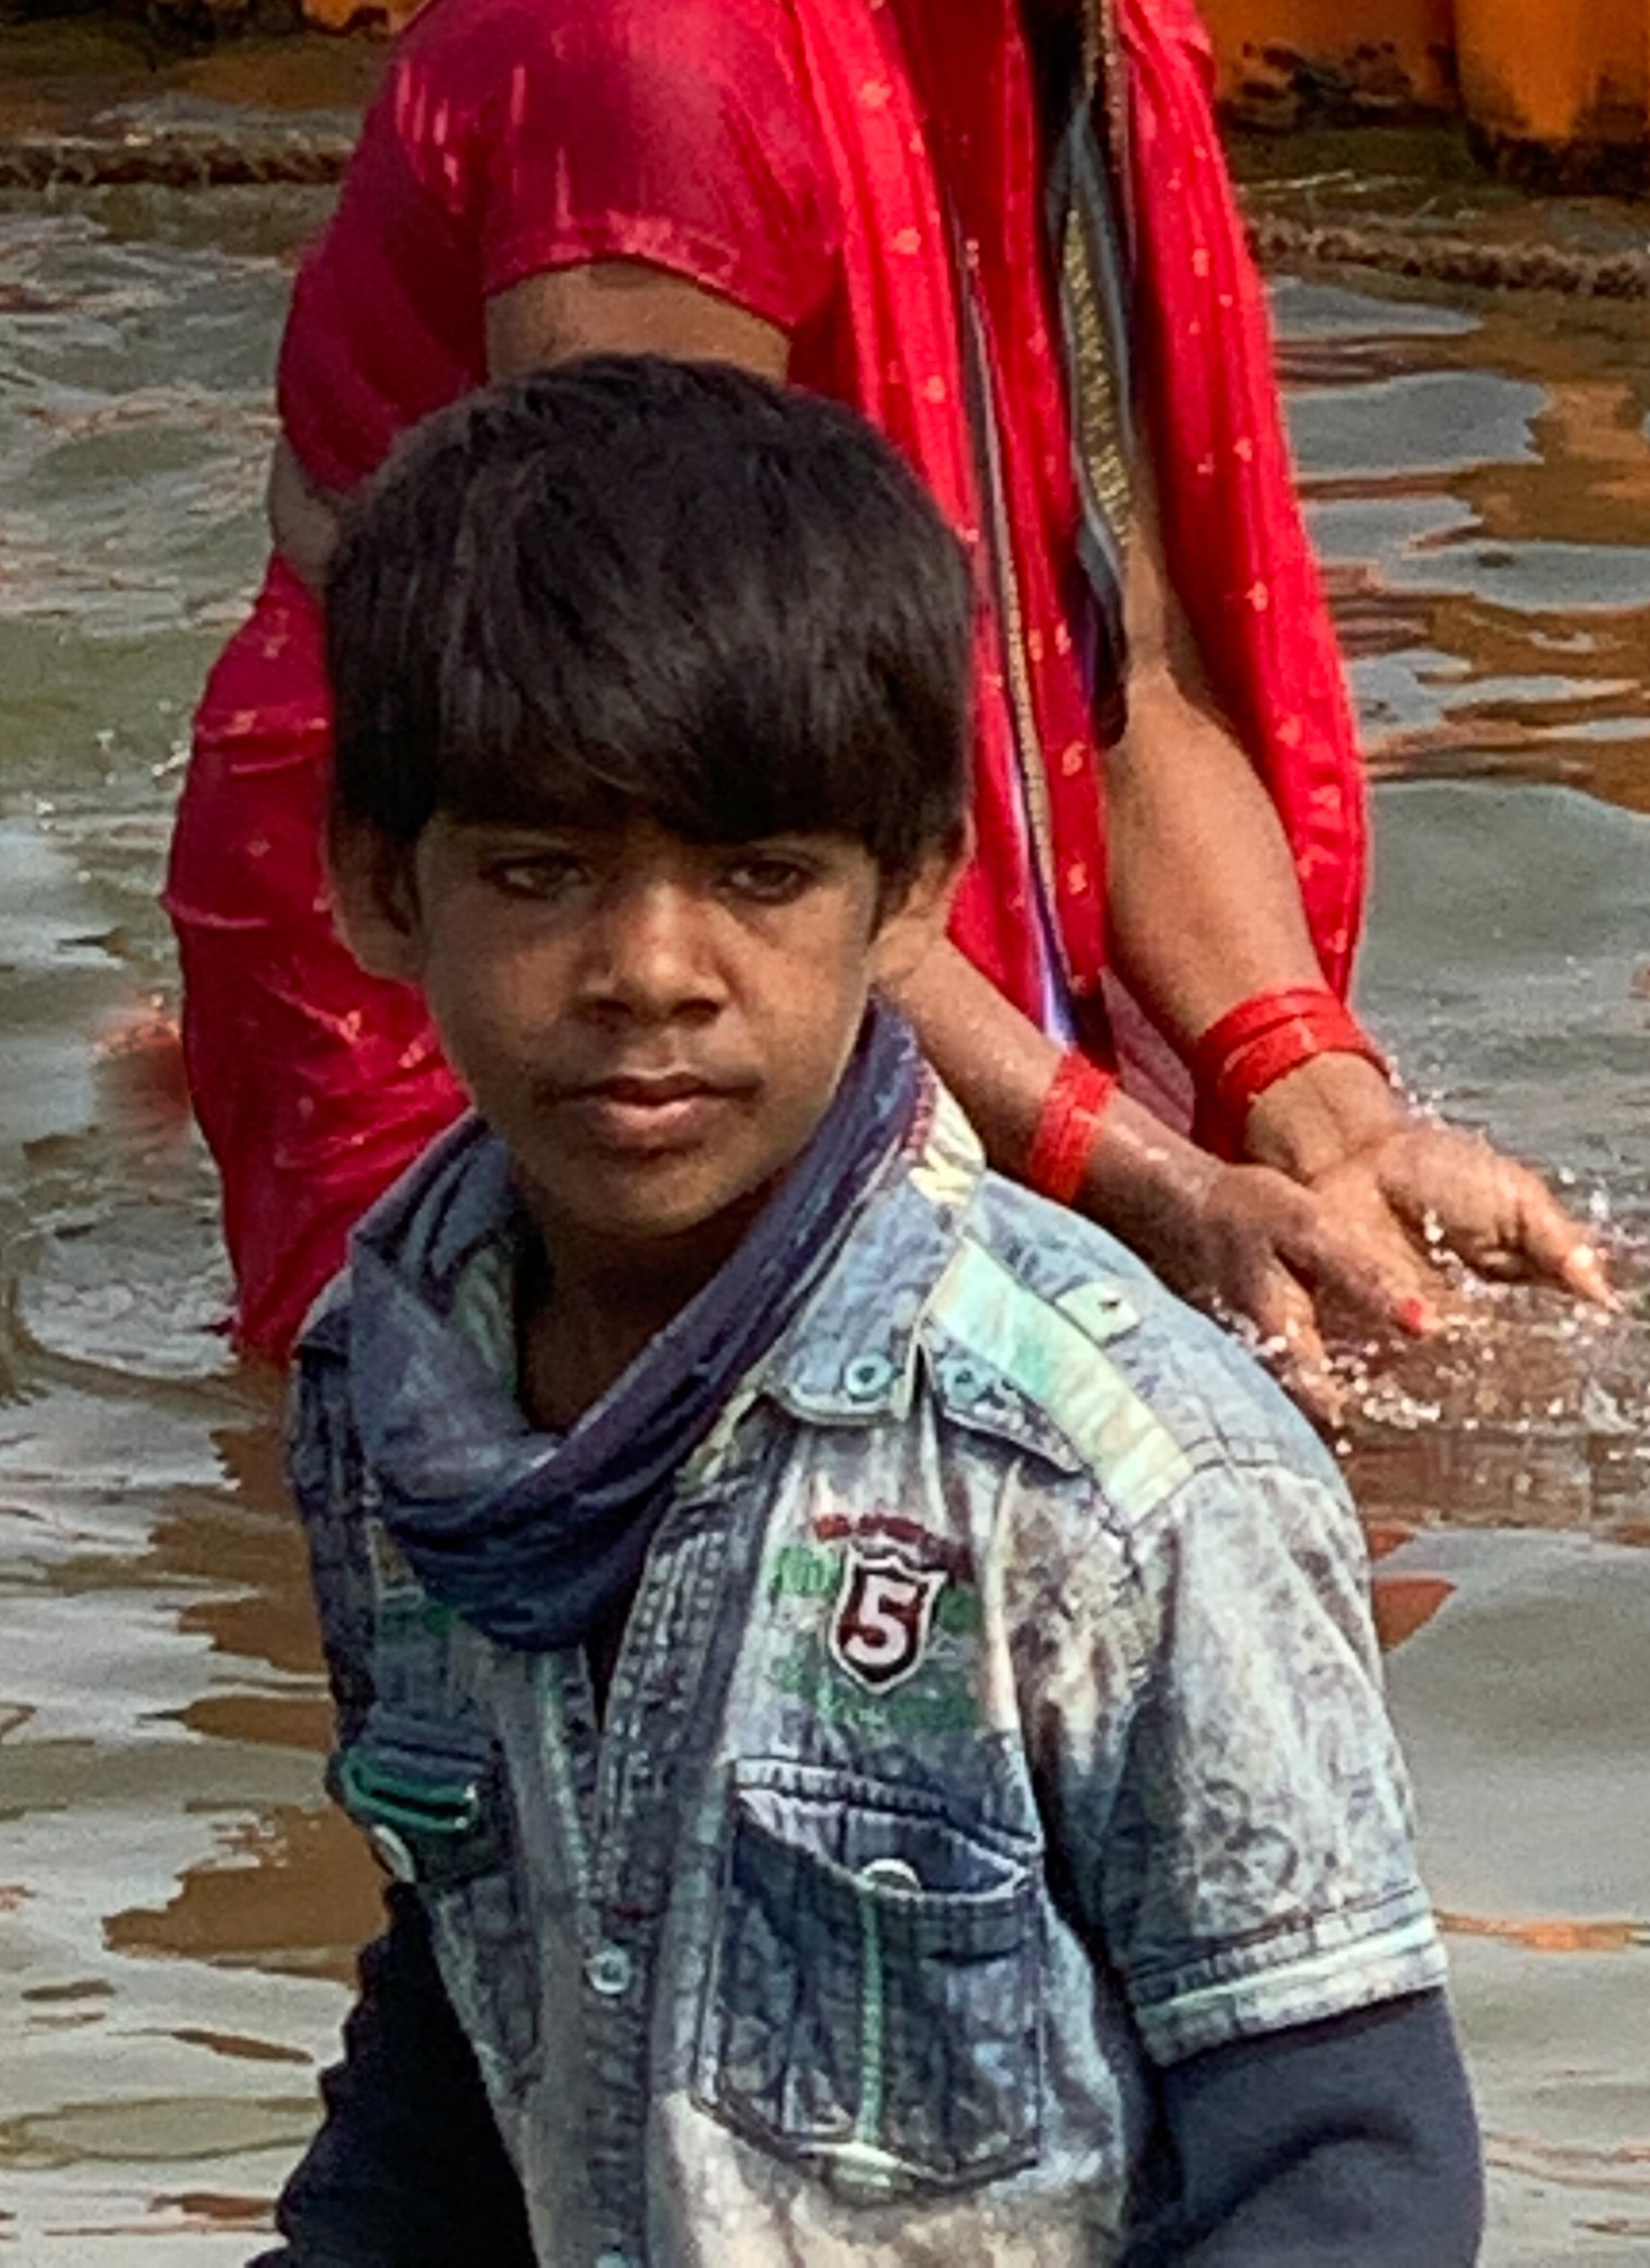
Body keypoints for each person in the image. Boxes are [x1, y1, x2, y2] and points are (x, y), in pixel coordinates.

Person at [168, 0, 1616, 1396]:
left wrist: (1318, 1109)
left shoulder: (1076, 31)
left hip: (822, 870)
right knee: (492, 1482)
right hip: (535, 894)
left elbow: (1111, 668)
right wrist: (1130, 1176)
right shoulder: (655, 74)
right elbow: (663, 762)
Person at [263, 352, 1483, 2268]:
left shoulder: (1105, 1465)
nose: (649, 969)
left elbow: (1340, 2167)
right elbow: (467, 2020)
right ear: (372, 886)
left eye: (758, 874)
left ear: (907, 888)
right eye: (538, 871)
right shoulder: (391, 1389)